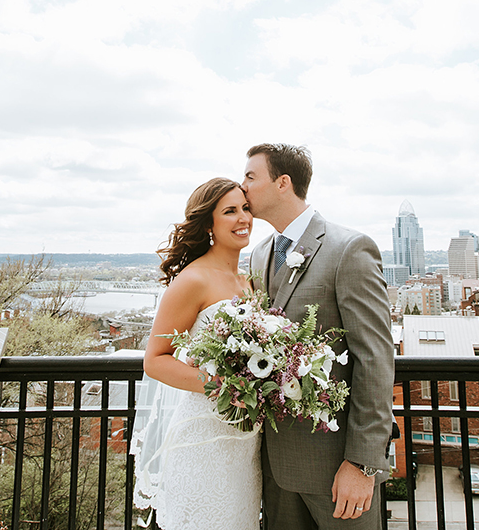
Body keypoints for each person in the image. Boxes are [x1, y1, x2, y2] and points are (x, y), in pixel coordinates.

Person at [242, 144, 394, 530]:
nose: (242, 186)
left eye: (250, 176)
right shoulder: (259, 254)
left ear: (282, 183)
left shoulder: (349, 249)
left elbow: (374, 358)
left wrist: (363, 463)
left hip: (336, 472)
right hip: (273, 469)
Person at [131, 177, 262, 530]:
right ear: (208, 224)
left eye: (246, 209)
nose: (243, 219)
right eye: (230, 211)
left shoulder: (248, 282)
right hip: (203, 438)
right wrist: (223, 387)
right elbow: (155, 359)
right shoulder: (193, 280)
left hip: (246, 445)